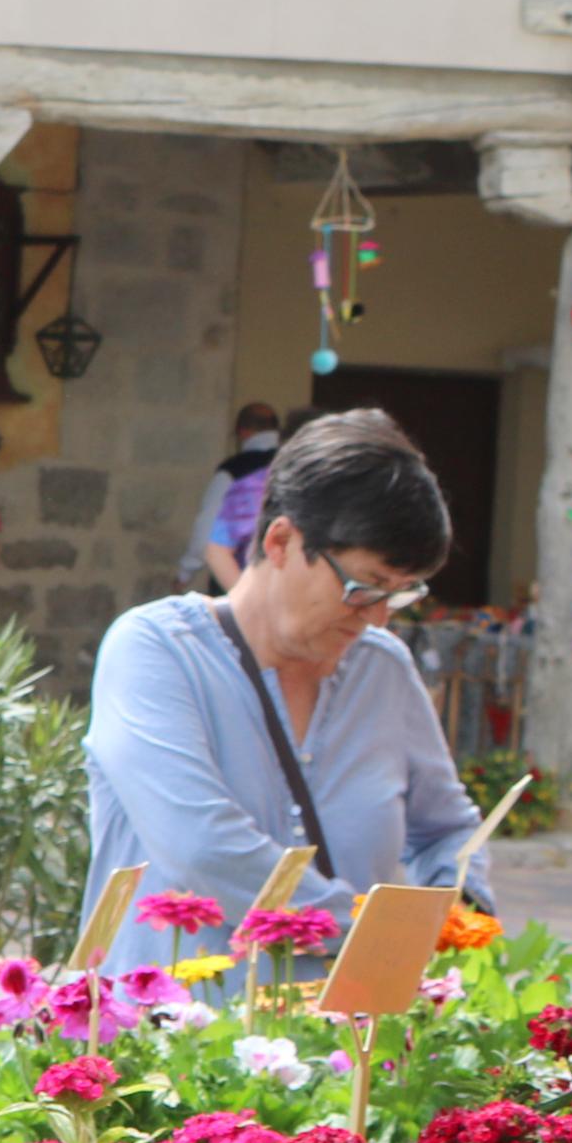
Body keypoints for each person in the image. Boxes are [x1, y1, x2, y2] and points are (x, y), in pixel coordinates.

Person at [82, 408, 485, 978]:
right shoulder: (155, 651)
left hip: (346, 1049)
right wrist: (370, 932)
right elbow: (202, 848)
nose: (376, 620)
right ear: (281, 540)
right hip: (173, 1046)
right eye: (362, 588)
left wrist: (459, 911)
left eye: (399, 596)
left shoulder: (383, 669)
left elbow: (446, 828)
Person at [190, 401, 284, 591]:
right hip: (282, 579)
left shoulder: (233, 471)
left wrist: (187, 570)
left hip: (236, 575)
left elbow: (208, 527)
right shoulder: (293, 466)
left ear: (242, 432)